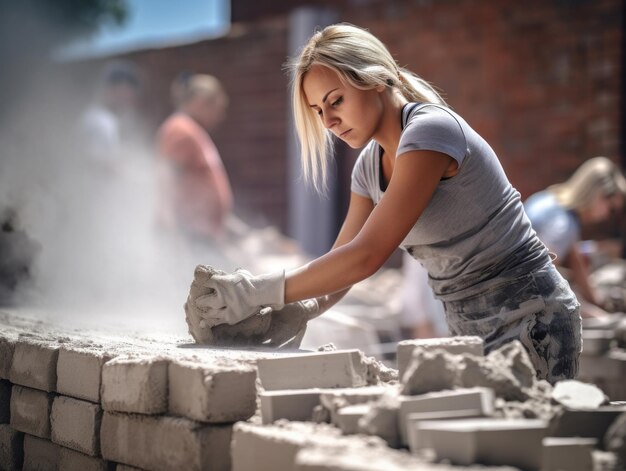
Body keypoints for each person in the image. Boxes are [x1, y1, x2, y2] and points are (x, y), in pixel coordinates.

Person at [186, 23, 581, 384]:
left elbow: (367, 256)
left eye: (335, 101)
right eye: (318, 111)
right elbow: (344, 258)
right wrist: (305, 307)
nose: (329, 121)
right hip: (465, 323)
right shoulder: (368, 169)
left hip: (530, 316)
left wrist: (256, 291)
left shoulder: (431, 131)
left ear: (376, 80)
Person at [524, 156, 626, 319]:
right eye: (611, 208)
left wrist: (597, 301)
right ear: (597, 195)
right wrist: (598, 316)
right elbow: (545, 282)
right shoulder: (564, 223)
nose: (607, 215)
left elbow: (575, 259)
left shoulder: (551, 199)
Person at [156, 73, 233, 241]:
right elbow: (166, 172)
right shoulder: (180, 129)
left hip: (202, 232)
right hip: (190, 233)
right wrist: (166, 218)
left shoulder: (192, 130)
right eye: (217, 109)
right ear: (201, 102)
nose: (221, 117)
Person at [78, 60, 141, 171]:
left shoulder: (98, 116)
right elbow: (96, 164)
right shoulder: (100, 122)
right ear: (113, 89)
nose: (129, 99)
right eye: (127, 92)